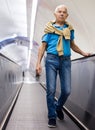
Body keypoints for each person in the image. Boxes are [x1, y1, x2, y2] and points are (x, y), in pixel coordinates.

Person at [36, 4, 91, 128]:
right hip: (51, 60)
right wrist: (38, 63)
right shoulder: (49, 29)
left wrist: (83, 52)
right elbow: (43, 46)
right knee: (51, 90)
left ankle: (58, 107)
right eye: (59, 11)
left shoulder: (69, 29)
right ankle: (51, 117)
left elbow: (72, 44)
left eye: (64, 12)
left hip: (66, 61)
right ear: (55, 14)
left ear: (67, 15)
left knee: (67, 90)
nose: (61, 13)